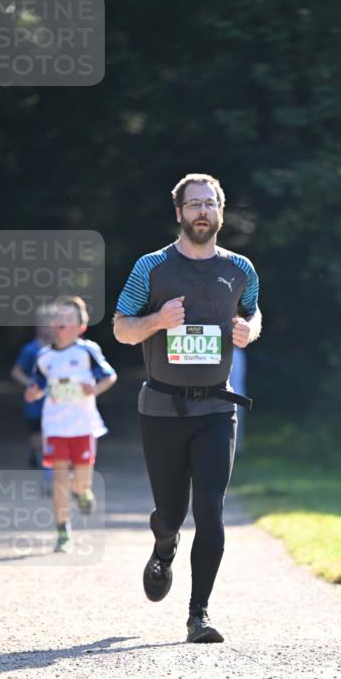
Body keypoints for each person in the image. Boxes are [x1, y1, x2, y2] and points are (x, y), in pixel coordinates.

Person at [113, 172, 262, 643]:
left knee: (211, 510)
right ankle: (163, 545)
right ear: (179, 213)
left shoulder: (241, 268)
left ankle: (199, 614)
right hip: (161, 406)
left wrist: (248, 330)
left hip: (217, 409)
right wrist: (157, 320)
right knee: (171, 512)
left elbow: (253, 312)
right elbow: (120, 327)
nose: (202, 211)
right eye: (194, 204)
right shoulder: (152, 267)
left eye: (210, 204)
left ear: (221, 211)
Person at [25, 295, 117, 553]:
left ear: (81, 326)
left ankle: (83, 492)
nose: (62, 322)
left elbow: (110, 376)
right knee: (60, 480)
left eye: (69, 318)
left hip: (83, 426)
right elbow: (38, 387)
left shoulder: (87, 351)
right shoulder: (43, 357)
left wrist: (94, 388)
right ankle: (63, 531)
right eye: (58, 318)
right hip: (55, 427)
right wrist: (32, 393)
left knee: (80, 481)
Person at [11, 318, 54, 487]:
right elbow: (15, 372)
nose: (50, 328)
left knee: (53, 441)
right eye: (46, 324)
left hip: (56, 405)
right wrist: (31, 383)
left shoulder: (60, 349)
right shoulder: (30, 350)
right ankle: (43, 469)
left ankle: (50, 480)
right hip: (34, 406)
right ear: (38, 328)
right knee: (39, 443)